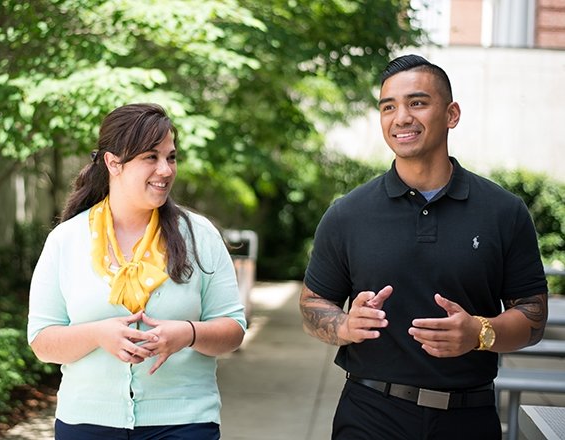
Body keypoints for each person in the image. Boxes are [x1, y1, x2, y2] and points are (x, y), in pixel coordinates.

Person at [299, 54, 548, 440]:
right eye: (388, 107)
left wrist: (480, 331)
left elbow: (533, 316)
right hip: (370, 414)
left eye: (417, 102)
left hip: (469, 418)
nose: (401, 117)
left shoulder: (504, 212)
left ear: (451, 114)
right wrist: (345, 325)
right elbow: (313, 304)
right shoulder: (347, 214)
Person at [27, 103, 246, 440]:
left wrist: (187, 333)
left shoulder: (200, 236)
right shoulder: (66, 240)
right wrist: (97, 335)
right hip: (86, 422)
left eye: (171, 157)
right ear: (113, 163)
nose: (166, 170)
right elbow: (42, 341)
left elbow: (233, 328)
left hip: (184, 421)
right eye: (151, 157)